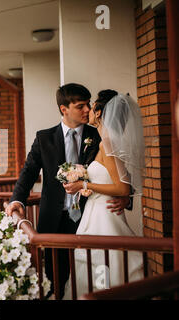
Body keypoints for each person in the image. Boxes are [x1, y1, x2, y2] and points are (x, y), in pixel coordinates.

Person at [5, 84, 131, 299]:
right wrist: (17, 200)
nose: (87, 109)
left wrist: (125, 196)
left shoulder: (99, 134)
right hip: (54, 220)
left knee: (97, 272)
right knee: (56, 278)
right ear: (64, 109)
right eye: (80, 106)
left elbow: (118, 171)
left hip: (89, 217)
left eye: (88, 105)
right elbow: (28, 172)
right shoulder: (44, 138)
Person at [62, 91, 145, 298]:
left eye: (92, 108)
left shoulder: (107, 143)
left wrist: (84, 183)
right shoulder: (104, 141)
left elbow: (122, 188)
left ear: (99, 114)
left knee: (103, 265)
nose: (88, 111)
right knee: (101, 266)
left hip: (104, 215)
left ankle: (105, 295)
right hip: (98, 212)